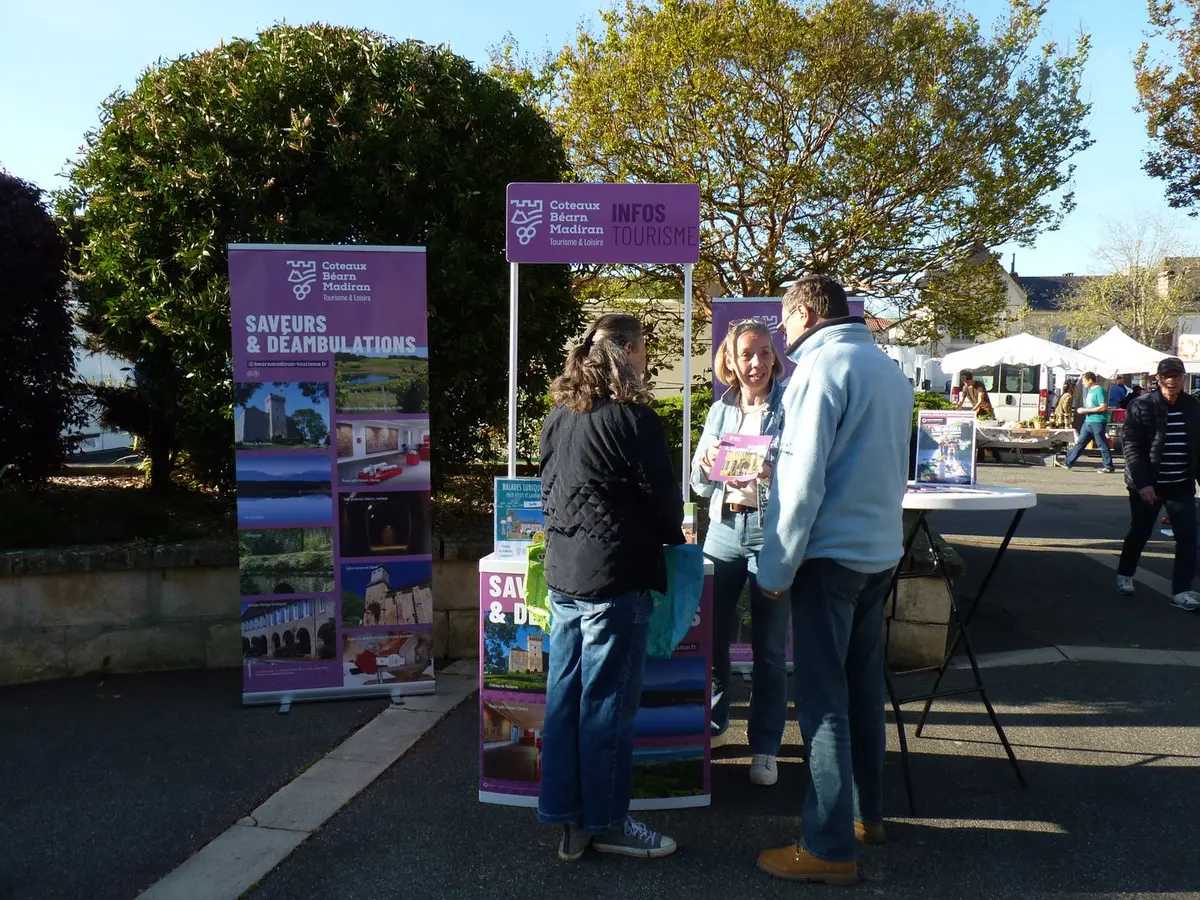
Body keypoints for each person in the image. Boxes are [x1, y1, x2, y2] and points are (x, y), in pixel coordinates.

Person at [753, 276, 914, 886]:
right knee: (860, 691)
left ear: (807, 312)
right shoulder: (887, 368)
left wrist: (774, 569)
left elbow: (800, 485)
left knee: (823, 704)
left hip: (829, 558)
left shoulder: (819, 372)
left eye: (784, 320)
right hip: (877, 554)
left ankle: (826, 846)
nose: (781, 333)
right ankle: (866, 816)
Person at [537, 314, 684, 861]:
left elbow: (548, 488)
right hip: (615, 576)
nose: (646, 362)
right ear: (626, 351)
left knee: (565, 701)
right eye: (644, 351)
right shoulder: (634, 418)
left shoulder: (559, 415)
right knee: (606, 705)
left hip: (565, 574)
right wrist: (672, 535)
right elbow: (664, 501)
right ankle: (609, 821)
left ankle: (570, 822)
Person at [690, 318, 789, 787]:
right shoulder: (719, 411)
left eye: (765, 352)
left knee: (770, 647)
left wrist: (774, 473)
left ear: (775, 356)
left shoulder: (789, 407)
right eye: (747, 354)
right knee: (713, 638)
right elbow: (697, 481)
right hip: (724, 530)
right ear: (729, 360)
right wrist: (706, 464)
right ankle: (715, 724)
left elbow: (805, 474)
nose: (757, 363)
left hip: (772, 534)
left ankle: (765, 746)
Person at [1116, 356, 1200, 611]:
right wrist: (1143, 484)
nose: (1172, 381)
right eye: (1167, 376)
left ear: (1184, 379)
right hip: (1147, 483)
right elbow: (1131, 447)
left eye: (1177, 376)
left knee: (1188, 537)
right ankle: (1125, 574)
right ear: (1158, 379)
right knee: (1140, 531)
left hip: (1180, 483)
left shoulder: (1193, 406)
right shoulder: (1141, 405)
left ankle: (1181, 591)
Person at [1055, 371, 1115, 473]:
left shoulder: (1099, 390)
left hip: (1097, 421)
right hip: (1088, 421)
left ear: (1090, 380)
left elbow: (1103, 407)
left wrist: (1085, 410)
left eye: (1084, 380)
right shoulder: (1090, 391)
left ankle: (1108, 466)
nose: (1083, 383)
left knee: (1101, 443)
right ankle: (1068, 462)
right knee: (1080, 442)